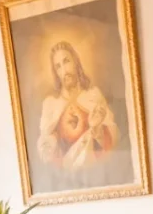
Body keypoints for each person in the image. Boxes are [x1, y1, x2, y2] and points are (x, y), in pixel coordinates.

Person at [36, 40, 119, 171]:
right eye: (58, 66)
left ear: (75, 62)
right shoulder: (50, 105)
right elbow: (46, 152)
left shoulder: (93, 95)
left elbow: (113, 139)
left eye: (66, 61)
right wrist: (50, 144)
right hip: (66, 177)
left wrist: (97, 129)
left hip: (95, 171)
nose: (64, 71)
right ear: (56, 72)